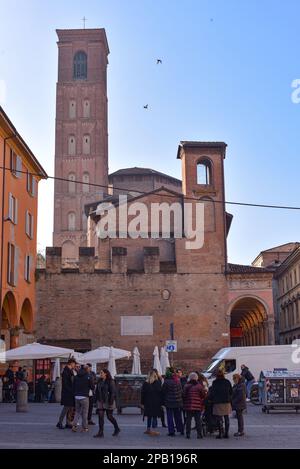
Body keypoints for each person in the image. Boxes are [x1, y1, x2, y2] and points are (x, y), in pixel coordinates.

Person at [94, 369, 120, 438]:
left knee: (109, 416)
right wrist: (95, 399)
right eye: (100, 373)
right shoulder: (99, 381)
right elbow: (97, 391)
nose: (100, 374)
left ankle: (117, 428)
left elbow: (113, 392)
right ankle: (100, 432)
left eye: (102, 373)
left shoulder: (110, 381)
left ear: (106, 373)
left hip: (108, 401)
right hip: (100, 401)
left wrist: (111, 402)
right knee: (100, 416)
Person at [183, 372, 207, 439]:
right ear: (196, 378)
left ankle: (188, 434)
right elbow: (203, 395)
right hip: (197, 406)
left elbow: (183, 395)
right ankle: (199, 434)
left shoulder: (186, 385)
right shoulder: (199, 386)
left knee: (188, 420)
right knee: (198, 420)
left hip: (188, 406)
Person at [162, 367, 184, 437]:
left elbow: (163, 392)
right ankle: (181, 429)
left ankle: (171, 431)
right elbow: (181, 391)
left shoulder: (166, 382)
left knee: (169, 417)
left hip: (169, 402)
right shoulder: (177, 380)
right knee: (178, 416)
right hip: (177, 401)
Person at [211, 369, 233, 439]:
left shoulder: (215, 382)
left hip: (217, 402)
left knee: (219, 418)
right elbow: (231, 392)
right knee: (226, 418)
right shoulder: (227, 382)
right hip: (226, 401)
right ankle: (226, 433)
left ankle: (220, 433)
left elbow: (212, 392)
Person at [71, 365, 94, 432]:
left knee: (77, 412)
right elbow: (92, 387)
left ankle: (74, 425)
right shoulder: (88, 377)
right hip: (84, 396)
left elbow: (73, 386)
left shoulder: (76, 377)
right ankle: (85, 427)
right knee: (85, 413)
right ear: (87, 369)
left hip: (77, 396)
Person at [56, 358, 76, 429]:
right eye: (74, 363)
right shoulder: (66, 371)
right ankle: (59, 422)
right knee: (66, 408)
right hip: (67, 393)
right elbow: (65, 384)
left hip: (70, 392)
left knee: (70, 408)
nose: (75, 365)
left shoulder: (70, 371)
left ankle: (68, 422)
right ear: (71, 363)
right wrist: (71, 391)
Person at [141, 370, 162, 436]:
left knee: (149, 416)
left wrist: (142, 402)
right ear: (155, 375)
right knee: (154, 416)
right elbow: (160, 393)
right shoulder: (157, 383)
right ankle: (153, 430)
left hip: (148, 402)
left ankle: (148, 429)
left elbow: (143, 394)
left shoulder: (145, 383)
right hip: (156, 402)